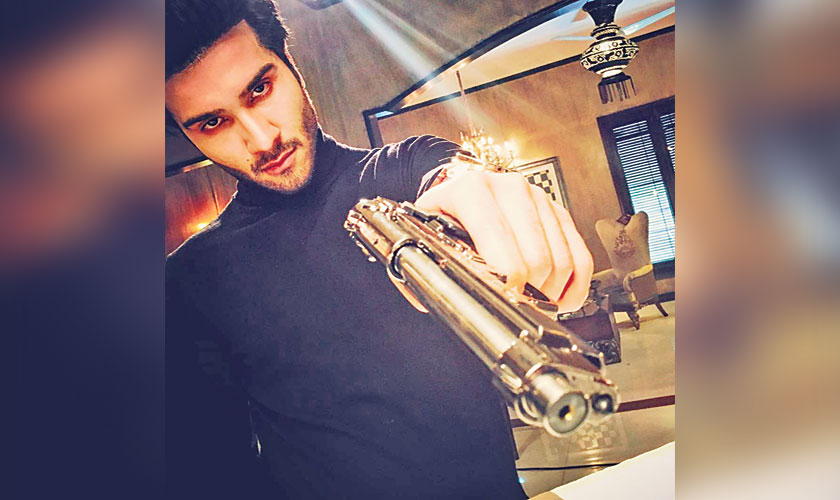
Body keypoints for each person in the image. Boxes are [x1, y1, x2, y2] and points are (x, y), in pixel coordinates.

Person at [164, 0, 593, 498]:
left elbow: (448, 175)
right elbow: (216, 472)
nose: (261, 140)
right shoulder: (191, 280)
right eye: (212, 123)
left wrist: (476, 190)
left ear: (290, 63)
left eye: (260, 89)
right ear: (183, 133)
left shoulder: (408, 167)